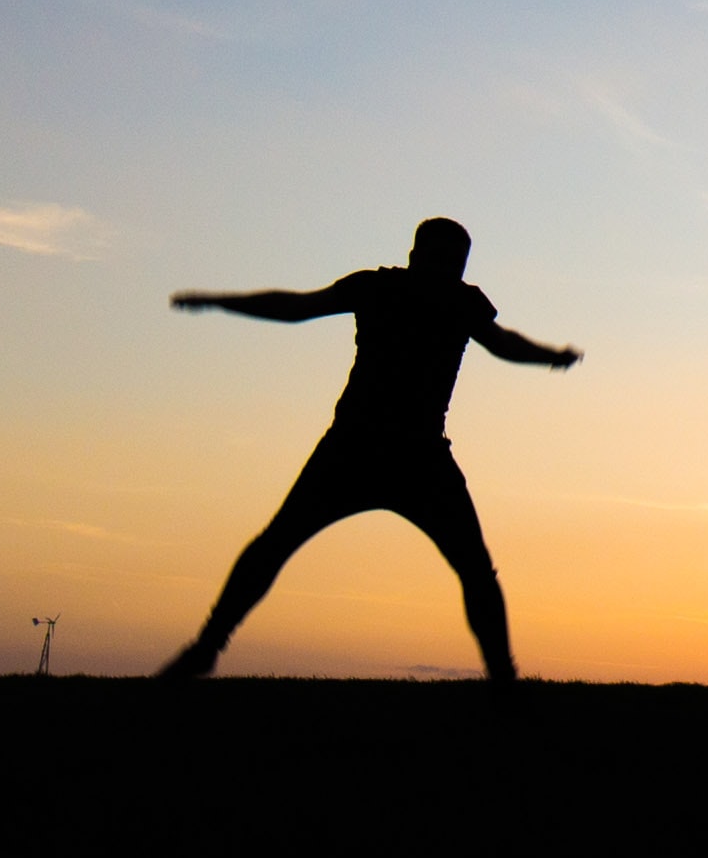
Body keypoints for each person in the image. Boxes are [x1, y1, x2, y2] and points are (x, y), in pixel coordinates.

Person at [161, 217, 580, 681]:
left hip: (409, 454)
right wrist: (221, 301)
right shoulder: (389, 289)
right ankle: (207, 646)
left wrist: (549, 356)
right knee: (276, 545)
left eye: (454, 263)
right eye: (441, 259)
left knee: (473, 569)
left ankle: (502, 676)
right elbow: (297, 306)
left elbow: (502, 343)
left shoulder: (452, 301)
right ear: (416, 257)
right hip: (360, 448)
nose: (446, 269)